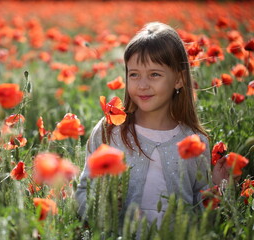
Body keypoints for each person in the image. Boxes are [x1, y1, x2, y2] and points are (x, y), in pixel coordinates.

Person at [75, 22, 231, 228]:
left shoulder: (194, 142)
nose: (142, 85)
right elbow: (83, 192)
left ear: (179, 79)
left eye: (154, 74)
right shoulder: (111, 130)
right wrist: (104, 208)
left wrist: (220, 186)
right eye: (134, 74)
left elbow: (202, 215)